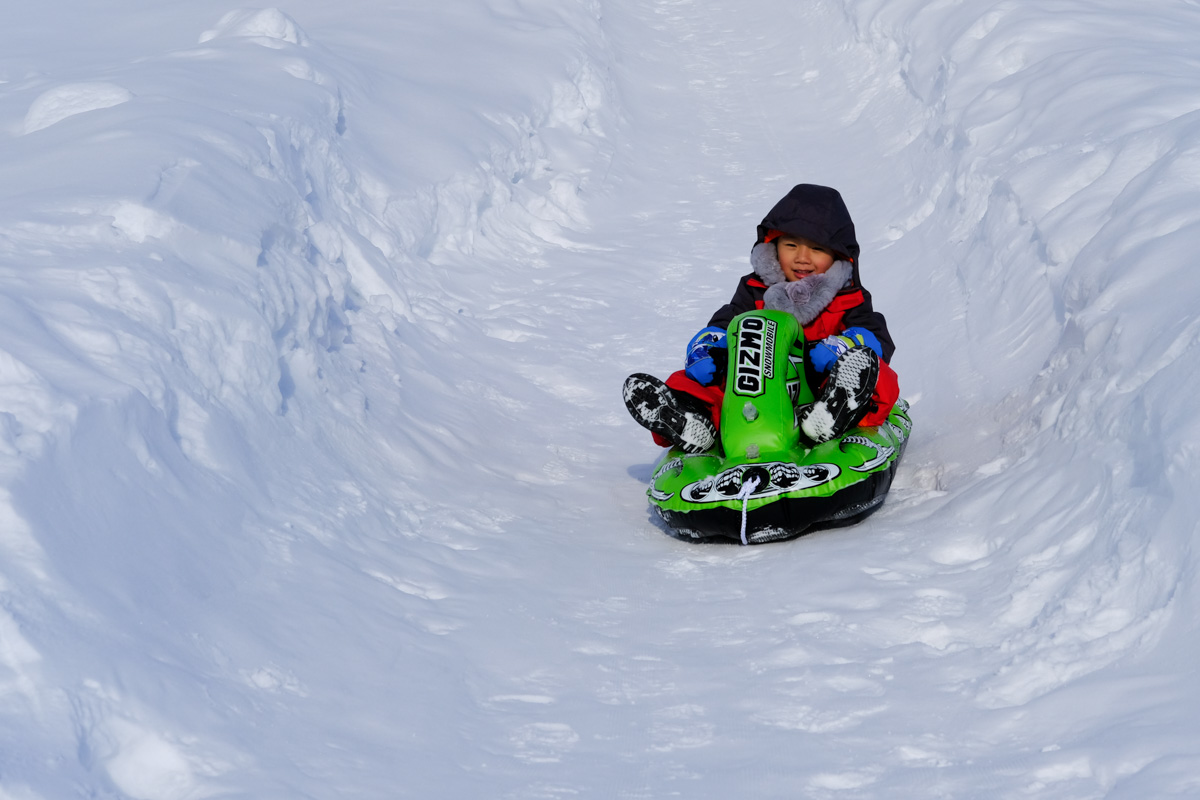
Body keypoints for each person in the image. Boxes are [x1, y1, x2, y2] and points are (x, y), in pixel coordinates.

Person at [623, 183, 899, 453]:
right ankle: (687, 417)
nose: (802, 258)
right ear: (773, 246)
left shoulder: (848, 297)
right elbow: (725, 323)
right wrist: (706, 348)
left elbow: (876, 338)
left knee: (880, 378)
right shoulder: (755, 290)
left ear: (837, 255)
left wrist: (844, 348)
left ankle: (834, 414)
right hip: (757, 386)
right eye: (791, 245)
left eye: (816, 249)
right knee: (694, 381)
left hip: (819, 392)